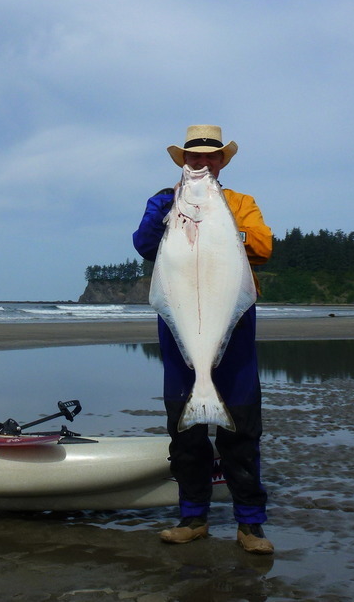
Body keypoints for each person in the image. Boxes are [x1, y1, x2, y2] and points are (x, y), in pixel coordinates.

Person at [132, 124, 274, 555]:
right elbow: (143, 245)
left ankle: (250, 525)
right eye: (194, 156)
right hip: (180, 325)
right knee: (186, 435)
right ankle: (193, 518)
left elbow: (264, 247)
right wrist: (166, 214)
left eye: (210, 156)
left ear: (221, 162)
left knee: (242, 434)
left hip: (230, 322)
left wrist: (225, 228)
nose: (202, 162)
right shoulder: (164, 200)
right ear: (184, 162)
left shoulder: (239, 203)